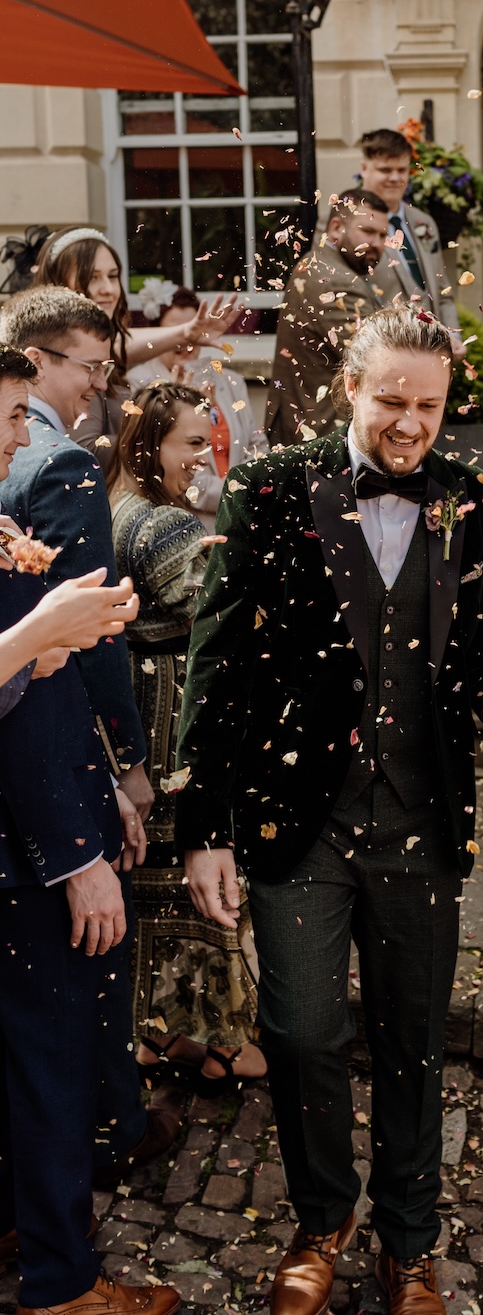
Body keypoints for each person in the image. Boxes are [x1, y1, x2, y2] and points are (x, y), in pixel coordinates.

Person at [174, 308, 483, 1315]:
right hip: (294, 816)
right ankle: (319, 1221)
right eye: (390, 399)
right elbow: (218, 657)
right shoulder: (270, 488)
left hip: (420, 817)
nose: (408, 422)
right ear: (350, 386)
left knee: (412, 1038)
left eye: (427, 406)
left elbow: (475, 657)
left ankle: (409, 1243)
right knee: (303, 1031)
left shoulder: (470, 500)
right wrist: (203, 826)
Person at [0, 344, 179, 1315]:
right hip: (27, 845)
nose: (18, 437)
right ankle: (65, 1285)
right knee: (53, 1055)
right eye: (4, 415)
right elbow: (17, 711)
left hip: (43, 809)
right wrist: (77, 855)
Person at [111, 382, 267, 1090]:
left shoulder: (122, 507)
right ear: (150, 448)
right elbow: (223, 605)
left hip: (141, 711)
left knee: (155, 882)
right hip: (172, 714)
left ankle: (155, 1030)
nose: (205, 458)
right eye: (193, 444)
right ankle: (208, 1035)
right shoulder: (164, 527)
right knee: (188, 875)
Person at [32, 227, 238, 472]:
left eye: (113, 275)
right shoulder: (65, 358)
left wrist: (188, 333)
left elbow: (122, 345)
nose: (108, 289)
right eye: (93, 277)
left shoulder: (109, 351)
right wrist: (161, 426)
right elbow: (87, 450)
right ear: (58, 283)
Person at [129, 285, 269, 529]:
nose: (187, 341)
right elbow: (171, 468)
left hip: (248, 519)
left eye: (194, 331)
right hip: (191, 521)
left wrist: (259, 484)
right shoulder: (143, 386)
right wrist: (246, 493)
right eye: (178, 333)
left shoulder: (230, 381)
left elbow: (257, 445)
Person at [266, 190, 389, 446]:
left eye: (383, 235)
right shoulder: (336, 281)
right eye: (367, 231)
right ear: (335, 228)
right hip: (323, 436)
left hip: (303, 425)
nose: (377, 243)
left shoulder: (316, 263)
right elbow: (379, 361)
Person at [359, 128, 459, 325]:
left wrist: (453, 337)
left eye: (402, 170)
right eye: (385, 170)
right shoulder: (346, 223)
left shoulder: (424, 222)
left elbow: (442, 292)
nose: (395, 178)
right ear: (364, 169)